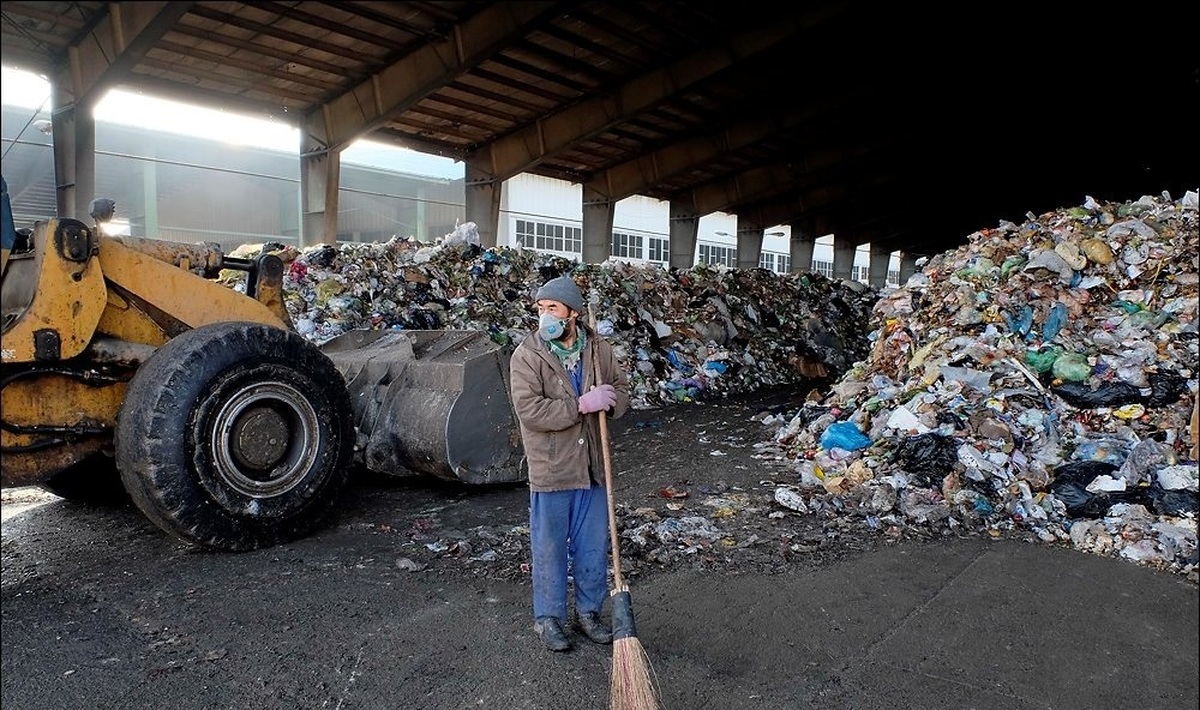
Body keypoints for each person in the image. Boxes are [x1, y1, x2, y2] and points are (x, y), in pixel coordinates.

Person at [508, 274, 630, 652]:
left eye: (553, 309)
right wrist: (579, 405)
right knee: (549, 547)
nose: (545, 317)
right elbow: (530, 411)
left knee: (592, 545)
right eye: (541, 309)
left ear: (574, 313)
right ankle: (549, 619)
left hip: (592, 467)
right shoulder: (528, 355)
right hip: (552, 469)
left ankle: (589, 613)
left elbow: (622, 390)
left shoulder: (598, 350)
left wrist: (612, 402)